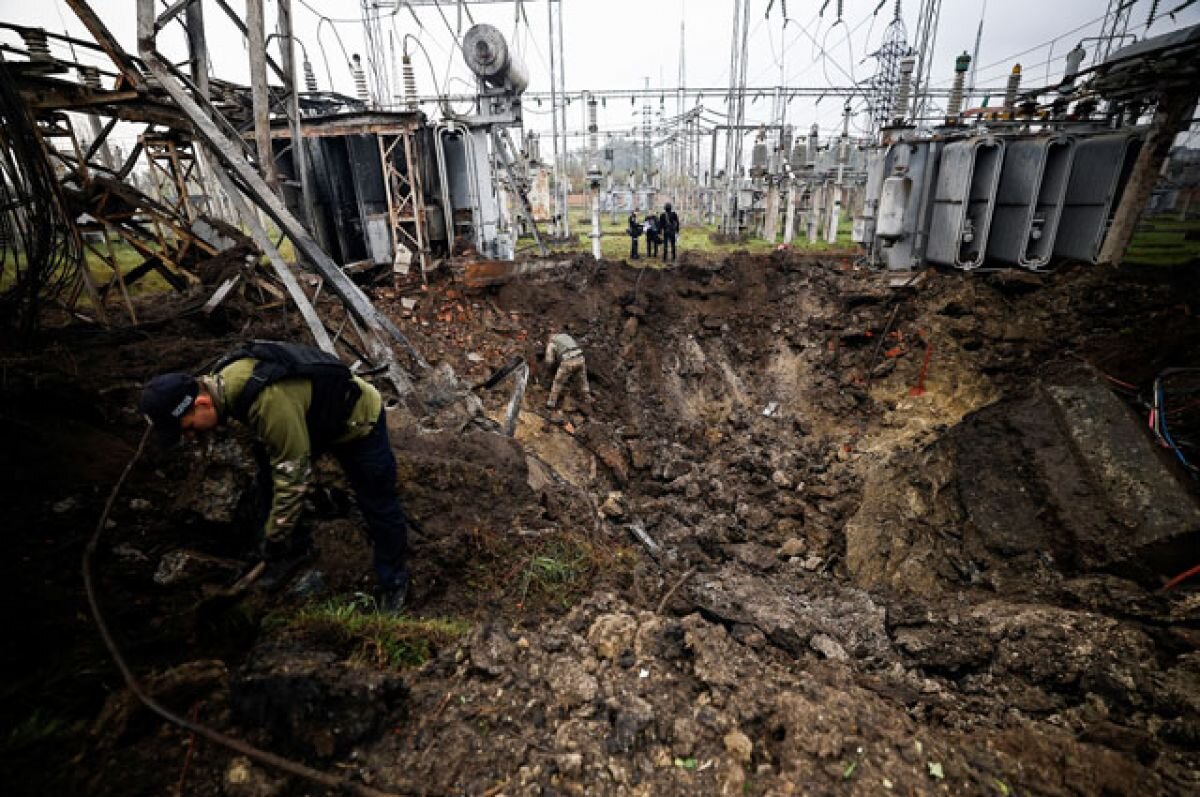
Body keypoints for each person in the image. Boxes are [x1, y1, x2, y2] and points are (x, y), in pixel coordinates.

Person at [139, 341, 411, 611]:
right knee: (267, 481)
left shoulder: (266, 401)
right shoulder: (221, 383)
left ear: (202, 402)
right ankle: (294, 550)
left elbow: (293, 478)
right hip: (309, 418)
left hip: (356, 421)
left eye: (188, 428)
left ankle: (394, 581)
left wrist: (275, 536)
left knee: (378, 502)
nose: (190, 436)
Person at [543, 331, 592, 410]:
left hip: (568, 361)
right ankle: (587, 398)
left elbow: (549, 361)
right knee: (583, 380)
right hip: (580, 358)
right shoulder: (565, 336)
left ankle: (551, 402)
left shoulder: (552, 343)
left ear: (549, 337)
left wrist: (549, 368)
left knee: (558, 382)